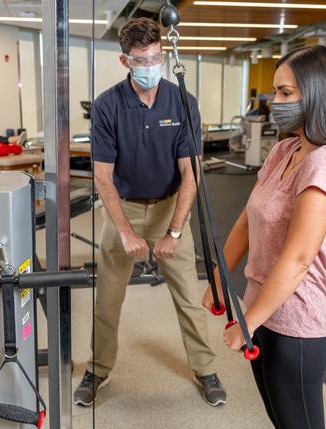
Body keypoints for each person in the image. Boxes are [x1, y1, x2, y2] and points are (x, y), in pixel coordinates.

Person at [202, 45, 326, 429]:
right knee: (282, 427)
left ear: (318, 93)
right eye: (276, 92)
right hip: (262, 310)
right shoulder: (284, 149)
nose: (276, 102)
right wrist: (220, 281)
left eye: (287, 93)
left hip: (297, 326)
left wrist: (247, 323)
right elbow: (245, 222)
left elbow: (298, 258)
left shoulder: (325, 162)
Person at [74, 17, 226, 408]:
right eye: (141, 60)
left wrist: (174, 233)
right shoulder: (108, 106)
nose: (150, 66)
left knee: (188, 298)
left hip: (171, 208)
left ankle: (205, 368)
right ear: (125, 61)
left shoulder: (182, 101)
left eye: (156, 57)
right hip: (123, 209)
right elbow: (103, 179)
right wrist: (125, 232)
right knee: (107, 298)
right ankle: (99, 369)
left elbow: (190, 173)